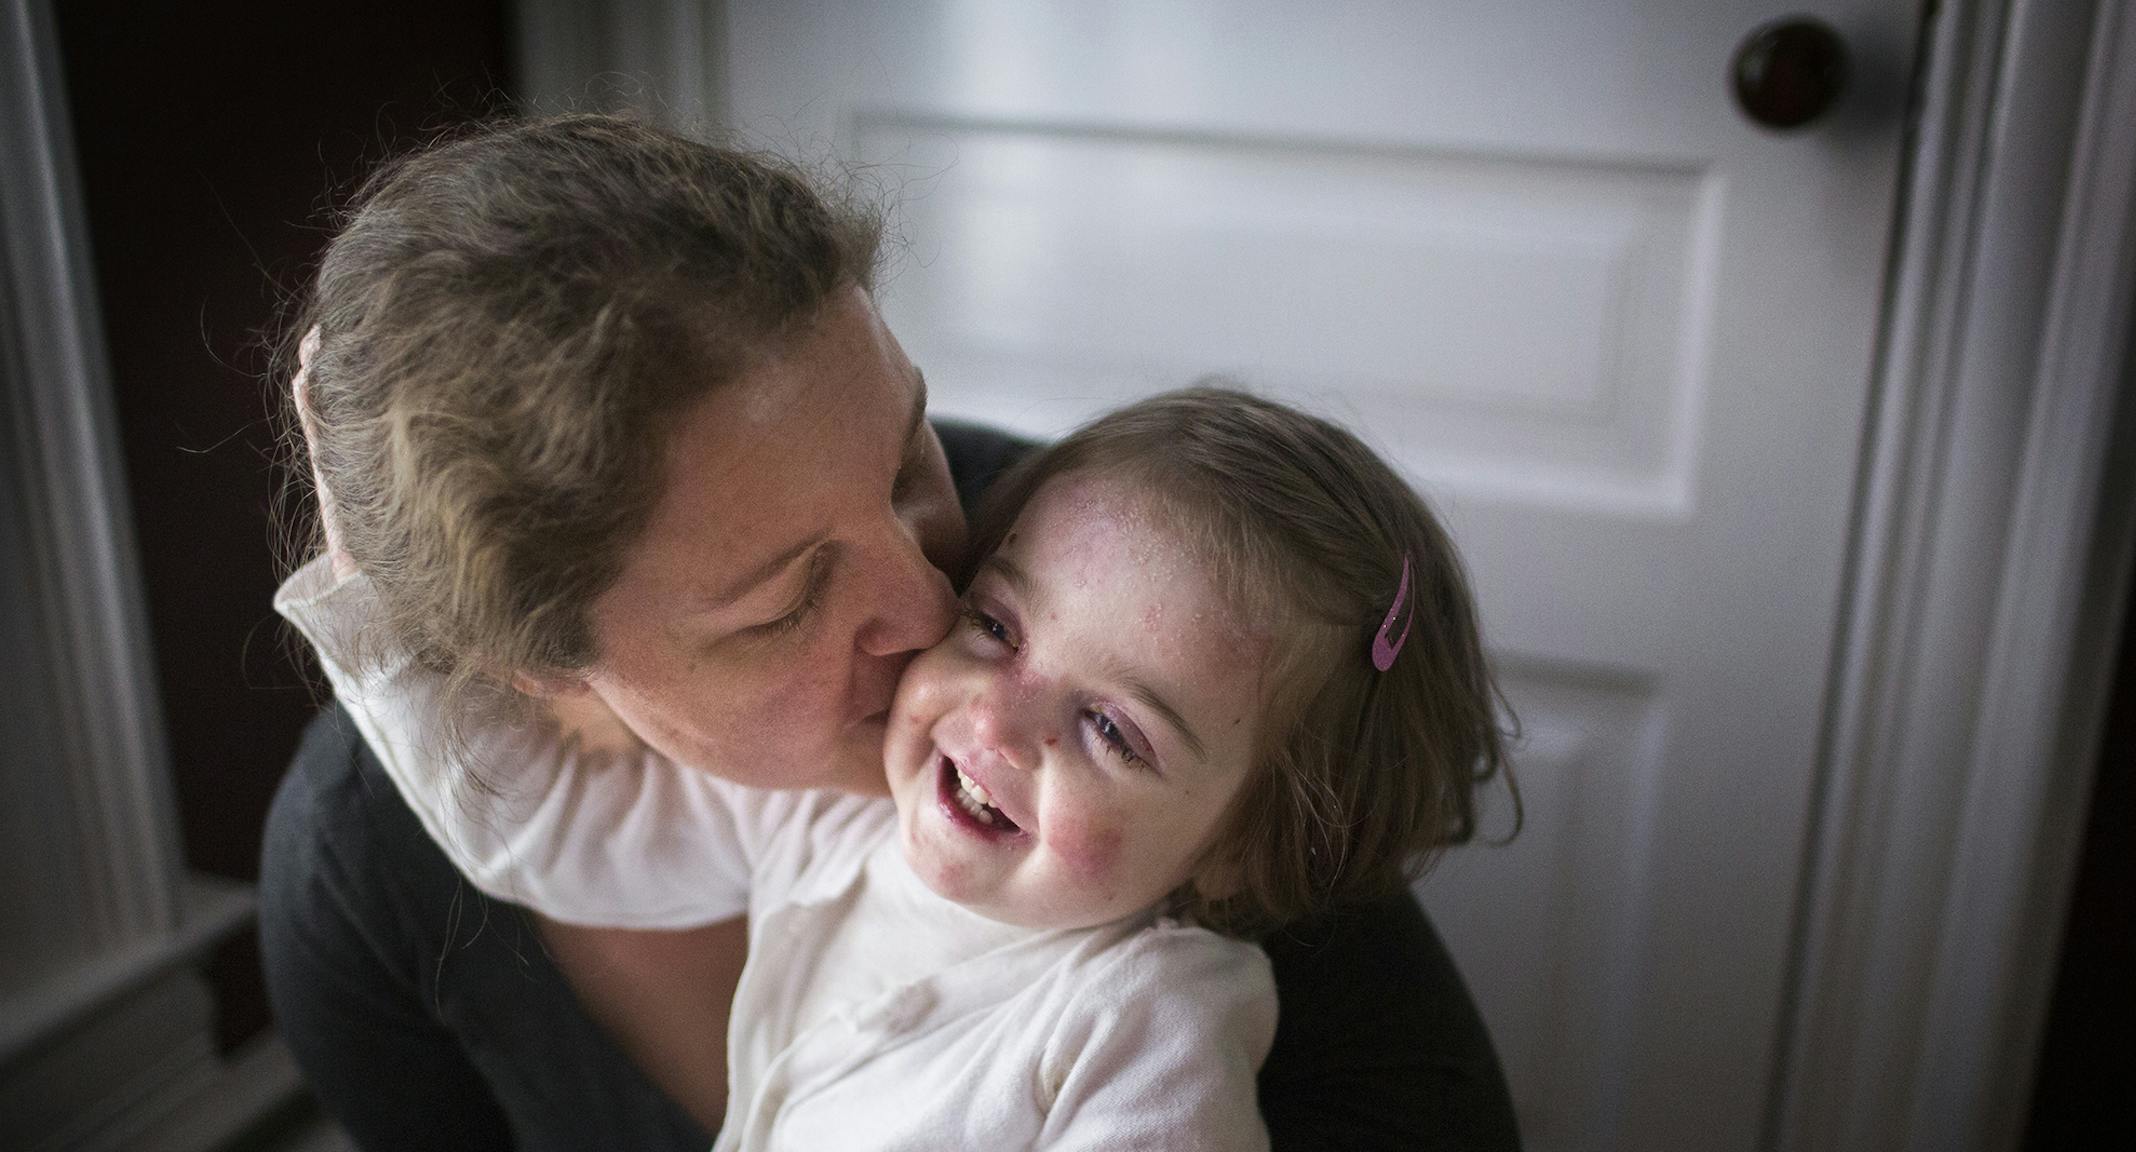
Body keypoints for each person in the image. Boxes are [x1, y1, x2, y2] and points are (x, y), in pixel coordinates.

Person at [261, 113, 1521, 1151]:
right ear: (537, 664)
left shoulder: (1146, 1025)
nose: (937, 620)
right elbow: (543, 833)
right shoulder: (829, 823)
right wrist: (375, 598)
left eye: (909, 456)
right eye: (784, 602)